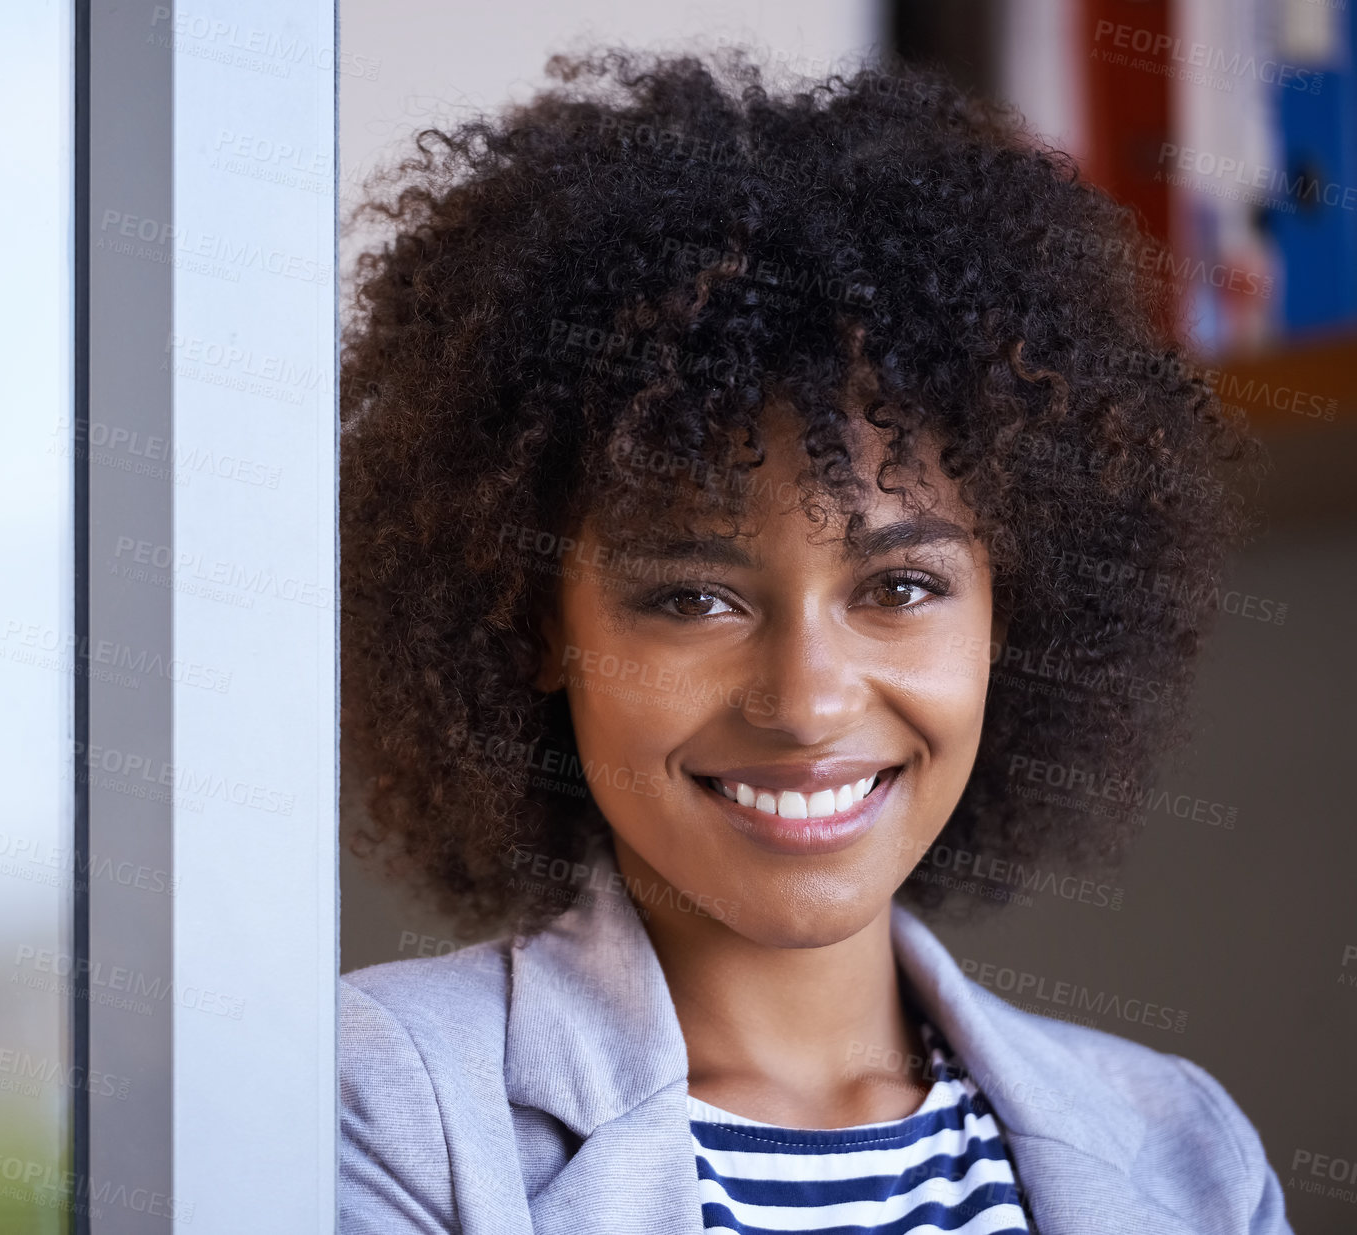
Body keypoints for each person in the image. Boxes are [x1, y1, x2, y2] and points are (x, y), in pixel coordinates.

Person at [337, 45, 1290, 1235]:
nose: (807, 697)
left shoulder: (1184, 1147)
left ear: (1013, 613)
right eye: (692, 596)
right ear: (536, 624)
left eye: (897, 585)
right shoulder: (373, 1101)